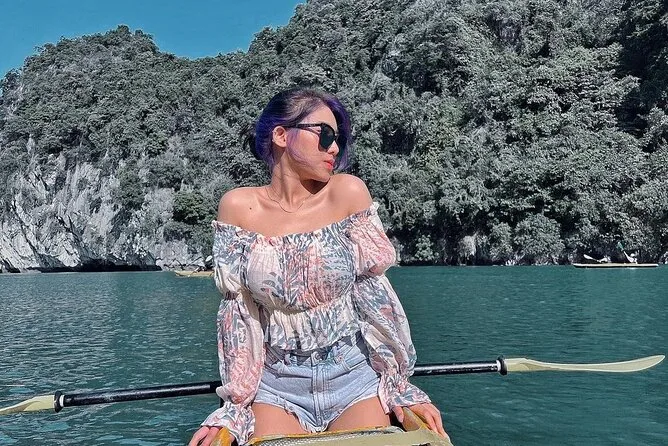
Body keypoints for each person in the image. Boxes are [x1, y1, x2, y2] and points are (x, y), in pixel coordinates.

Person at [189, 88, 446, 446]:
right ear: (282, 135)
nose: (334, 148)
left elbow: (376, 301)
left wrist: (398, 383)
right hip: (276, 384)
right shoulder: (238, 207)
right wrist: (235, 404)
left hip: (353, 376)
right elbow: (240, 317)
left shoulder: (347, 193)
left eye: (337, 139)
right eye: (324, 135)